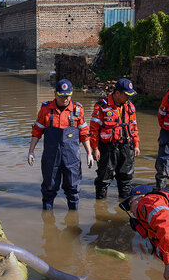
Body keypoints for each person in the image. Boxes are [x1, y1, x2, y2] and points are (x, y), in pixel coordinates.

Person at [27, 79, 93, 210]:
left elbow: (84, 133)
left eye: (67, 96)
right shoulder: (46, 110)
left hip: (72, 157)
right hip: (51, 158)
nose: (65, 99)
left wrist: (89, 153)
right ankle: (47, 218)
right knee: (48, 189)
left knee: (73, 189)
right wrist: (31, 151)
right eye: (61, 96)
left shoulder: (77, 110)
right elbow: (37, 131)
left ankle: (73, 218)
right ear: (55, 94)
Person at [90, 78, 140, 199]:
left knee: (126, 179)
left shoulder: (130, 107)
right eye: (126, 95)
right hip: (108, 149)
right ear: (117, 93)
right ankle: (100, 208)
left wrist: (136, 145)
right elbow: (93, 130)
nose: (129, 98)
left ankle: (123, 207)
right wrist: (95, 149)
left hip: (126, 147)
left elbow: (133, 127)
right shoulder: (101, 107)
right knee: (104, 179)